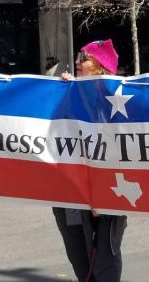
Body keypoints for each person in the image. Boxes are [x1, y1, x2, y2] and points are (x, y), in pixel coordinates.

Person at [54, 39, 127, 282]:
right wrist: (59, 92)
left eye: (84, 58)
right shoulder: (68, 92)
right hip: (71, 194)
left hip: (109, 195)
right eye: (78, 56)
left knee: (105, 263)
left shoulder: (119, 101)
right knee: (80, 261)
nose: (77, 61)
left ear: (101, 67)